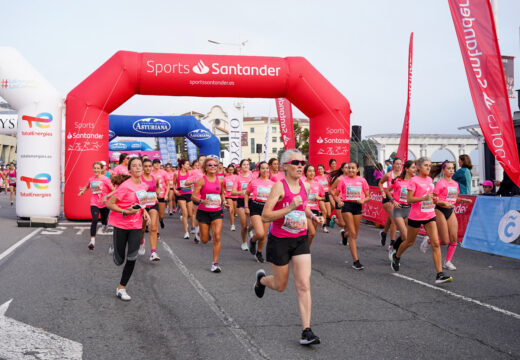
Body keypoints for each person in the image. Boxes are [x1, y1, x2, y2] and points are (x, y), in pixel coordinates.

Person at [254, 149, 323, 346]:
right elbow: (266, 215)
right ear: (285, 166)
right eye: (296, 163)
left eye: (303, 163)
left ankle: (306, 331)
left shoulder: (306, 186)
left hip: (300, 239)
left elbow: (303, 206)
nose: (301, 166)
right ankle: (261, 280)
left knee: (303, 284)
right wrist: (290, 207)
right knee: (280, 285)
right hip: (280, 240)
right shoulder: (279, 187)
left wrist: (312, 216)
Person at [390, 157, 453, 284]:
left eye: (430, 165)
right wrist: (424, 197)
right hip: (416, 216)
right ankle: (396, 257)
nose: (428, 167)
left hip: (429, 215)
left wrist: (434, 199)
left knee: (435, 243)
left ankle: (439, 275)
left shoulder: (430, 180)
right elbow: (409, 199)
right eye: (425, 165)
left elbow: (431, 196)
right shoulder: (414, 181)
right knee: (409, 241)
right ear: (418, 167)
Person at [106, 157, 151, 301]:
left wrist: (145, 213)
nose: (138, 168)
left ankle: (121, 287)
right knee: (119, 260)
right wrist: (125, 211)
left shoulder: (144, 186)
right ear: (130, 170)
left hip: (136, 225)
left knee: (132, 257)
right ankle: (115, 247)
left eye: (140, 166)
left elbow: (141, 204)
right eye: (135, 166)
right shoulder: (125, 186)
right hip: (121, 224)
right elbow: (109, 204)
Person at [330, 162, 369, 270]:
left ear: (357, 170)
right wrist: (338, 201)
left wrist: (363, 200)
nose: (351, 170)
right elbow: (335, 194)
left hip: (357, 206)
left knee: (355, 233)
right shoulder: (342, 180)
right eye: (349, 168)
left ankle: (344, 234)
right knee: (353, 233)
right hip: (346, 206)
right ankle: (356, 261)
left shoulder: (362, 180)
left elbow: (368, 196)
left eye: (353, 168)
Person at [433, 161, 472, 271]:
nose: (451, 170)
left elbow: (455, 198)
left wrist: (463, 200)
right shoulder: (441, 183)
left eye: (452, 168)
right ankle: (429, 241)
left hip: (450, 211)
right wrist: (443, 203)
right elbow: (434, 199)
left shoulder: (455, 184)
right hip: (440, 210)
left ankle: (447, 262)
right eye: (449, 168)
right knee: (445, 241)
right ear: (443, 170)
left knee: (454, 238)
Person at [192, 157, 228, 272]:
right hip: (204, 212)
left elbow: (222, 194)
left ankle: (215, 263)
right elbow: (193, 196)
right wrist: (201, 201)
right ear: (205, 168)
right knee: (204, 240)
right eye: (210, 165)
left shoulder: (221, 180)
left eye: (215, 165)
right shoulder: (202, 180)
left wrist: (225, 201)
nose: (213, 167)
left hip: (217, 211)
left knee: (217, 236)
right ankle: (200, 232)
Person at [78, 161, 114, 250]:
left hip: (104, 202)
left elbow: (114, 190)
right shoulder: (91, 179)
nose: (96, 170)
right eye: (95, 168)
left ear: (101, 169)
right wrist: (82, 191)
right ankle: (92, 241)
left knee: (104, 219)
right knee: (94, 220)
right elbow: (87, 186)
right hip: (94, 202)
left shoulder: (106, 179)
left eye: (98, 168)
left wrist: (107, 196)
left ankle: (105, 225)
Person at [245, 161, 275, 263]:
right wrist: (246, 206)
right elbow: (246, 194)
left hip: (267, 209)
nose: (265, 170)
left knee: (264, 235)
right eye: (263, 168)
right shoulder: (254, 182)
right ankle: (252, 241)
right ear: (259, 170)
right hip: (255, 207)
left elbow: (276, 198)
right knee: (260, 233)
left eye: (267, 168)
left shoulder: (273, 184)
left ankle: (259, 252)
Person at [388, 160, 416, 260]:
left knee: (407, 237)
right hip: (399, 210)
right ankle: (395, 251)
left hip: (410, 210)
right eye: (413, 167)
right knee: (404, 236)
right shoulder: (398, 180)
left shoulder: (415, 181)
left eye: (415, 167)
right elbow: (387, 190)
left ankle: (394, 247)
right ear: (407, 169)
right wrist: (393, 201)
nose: (415, 169)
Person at [139, 159, 161, 261]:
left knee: (153, 227)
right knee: (143, 228)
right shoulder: (139, 179)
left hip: (153, 205)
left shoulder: (154, 178)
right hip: (143, 207)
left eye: (149, 166)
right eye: (146, 166)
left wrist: (157, 194)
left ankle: (153, 253)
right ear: (142, 167)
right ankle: (141, 242)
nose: (148, 168)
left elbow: (157, 187)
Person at [378, 158, 402, 248]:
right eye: (397, 164)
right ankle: (392, 243)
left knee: (390, 218)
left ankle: (384, 233)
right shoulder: (388, 175)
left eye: (400, 164)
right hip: (388, 198)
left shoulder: (403, 176)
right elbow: (380, 183)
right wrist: (382, 191)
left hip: (398, 199)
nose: (398, 166)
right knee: (394, 220)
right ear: (393, 165)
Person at [232, 159, 253, 251]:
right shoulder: (237, 178)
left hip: (252, 200)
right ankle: (244, 243)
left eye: (247, 164)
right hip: (241, 201)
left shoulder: (253, 176)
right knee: (244, 225)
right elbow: (233, 192)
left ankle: (250, 230)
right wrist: (242, 192)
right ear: (240, 167)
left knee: (254, 223)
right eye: (244, 164)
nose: (246, 166)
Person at [303, 164, 325, 246]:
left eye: (313, 171)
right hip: (305, 210)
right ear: (305, 173)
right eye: (309, 171)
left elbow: (323, 197)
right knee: (311, 232)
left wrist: (319, 198)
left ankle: (306, 249)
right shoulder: (302, 184)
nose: (311, 173)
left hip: (315, 210)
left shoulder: (318, 184)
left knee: (312, 234)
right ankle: (303, 250)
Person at [173, 159, 196, 239]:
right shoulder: (176, 173)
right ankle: (186, 232)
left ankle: (192, 226)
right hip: (181, 194)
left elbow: (193, 181)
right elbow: (174, 184)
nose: (188, 166)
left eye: (189, 164)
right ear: (182, 165)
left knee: (190, 213)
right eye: (187, 164)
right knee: (185, 212)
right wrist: (175, 191)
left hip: (189, 193)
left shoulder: (190, 173)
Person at [151, 159, 169, 231]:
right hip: (153, 196)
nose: (157, 165)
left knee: (161, 215)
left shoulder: (164, 173)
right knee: (155, 214)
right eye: (155, 163)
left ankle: (161, 220)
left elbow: (168, 185)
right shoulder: (150, 173)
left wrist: (166, 195)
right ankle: (157, 231)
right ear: (153, 165)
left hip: (162, 195)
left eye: (158, 163)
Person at [315, 164, 331, 233]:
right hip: (320, 195)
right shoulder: (316, 178)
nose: (320, 170)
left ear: (324, 169)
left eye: (321, 169)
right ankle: (324, 227)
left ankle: (320, 215)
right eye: (318, 169)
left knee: (328, 213)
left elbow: (331, 185)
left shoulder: (327, 177)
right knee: (324, 211)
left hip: (327, 194)